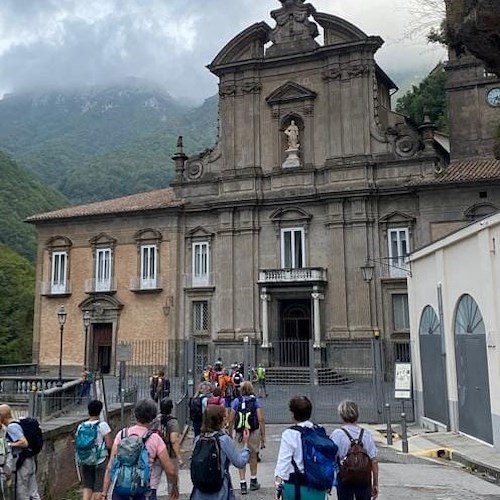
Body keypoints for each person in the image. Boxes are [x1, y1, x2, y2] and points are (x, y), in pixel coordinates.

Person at [100, 399, 179, 500]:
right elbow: (170, 470)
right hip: (145, 491)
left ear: (135, 414)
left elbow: (110, 466)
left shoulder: (122, 435)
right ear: (153, 417)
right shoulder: (155, 438)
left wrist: (104, 492)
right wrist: (174, 486)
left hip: (121, 489)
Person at [274, 396, 330, 500]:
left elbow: (284, 461)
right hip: (318, 483)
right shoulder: (318, 430)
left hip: (296, 484)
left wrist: (278, 483)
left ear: (293, 414)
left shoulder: (289, 434)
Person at [190, 405, 250, 500]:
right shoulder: (224, 440)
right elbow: (240, 463)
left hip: (199, 490)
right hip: (219, 489)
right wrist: (245, 447)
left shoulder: (198, 440)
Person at [330, 400, 379, 500]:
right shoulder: (366, 434)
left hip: (345, 477)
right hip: (364, 477)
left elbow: (330, 457)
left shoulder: (337, 434)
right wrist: (375, 484)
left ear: (341, 415)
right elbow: (374, 461)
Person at [230, 381, 265, 495]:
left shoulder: (236, 401)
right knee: (253, 455)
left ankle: (242, 483)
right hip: (253, 431)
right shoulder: (255, 401)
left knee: (241, 457)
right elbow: (260, 419)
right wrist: (263, 435)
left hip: (240, 432)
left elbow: (231, 418)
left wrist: (230, 432)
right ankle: (253, 480)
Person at [0, 404, 41, 500]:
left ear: (2, 416)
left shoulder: (11, 428)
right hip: (30, 459)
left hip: (22, 463)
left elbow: (24, 442)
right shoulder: (18, 423)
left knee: (22, 493)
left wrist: (9, 445)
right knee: (33, 492)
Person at [77, 399, 113, 500]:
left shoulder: (81, 426)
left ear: (88, 411)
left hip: (85, 459)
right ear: (100, 411)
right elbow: (110, 444)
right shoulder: (102, 425)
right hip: (100, 460)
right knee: (98, 487)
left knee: (87, 486)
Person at [151, 398, 183, 498]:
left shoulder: (155, 420)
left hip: (157, 455)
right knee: (172, 482)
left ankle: (151, 497)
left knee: (153, 480)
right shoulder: (173, 422)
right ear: (171, 408)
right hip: (169, 455)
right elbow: (174, 440)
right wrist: (179, 457)